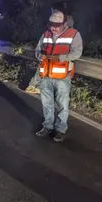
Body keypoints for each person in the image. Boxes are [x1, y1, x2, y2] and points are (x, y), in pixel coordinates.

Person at [35, 10, 83, 142]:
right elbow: (37, 50)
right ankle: (48, 126)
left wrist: (60, 57)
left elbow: (77, 53)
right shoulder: (46, 34)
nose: (53, 28)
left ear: (64, 24)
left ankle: (60, 129)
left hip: (62, 76)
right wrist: (40, 55)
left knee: (62, 104)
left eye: (57, 25)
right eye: (51, 25)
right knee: (46, 103)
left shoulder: (73, 34)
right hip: (46, 74)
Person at [25, 8, 75, 95]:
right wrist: (41, 56)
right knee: (44, 63)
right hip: (49, 66)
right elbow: (39, 49)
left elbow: (74, 52)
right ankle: (35, 86)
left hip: (62, 68)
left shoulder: (71, 35)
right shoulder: (47, 34)